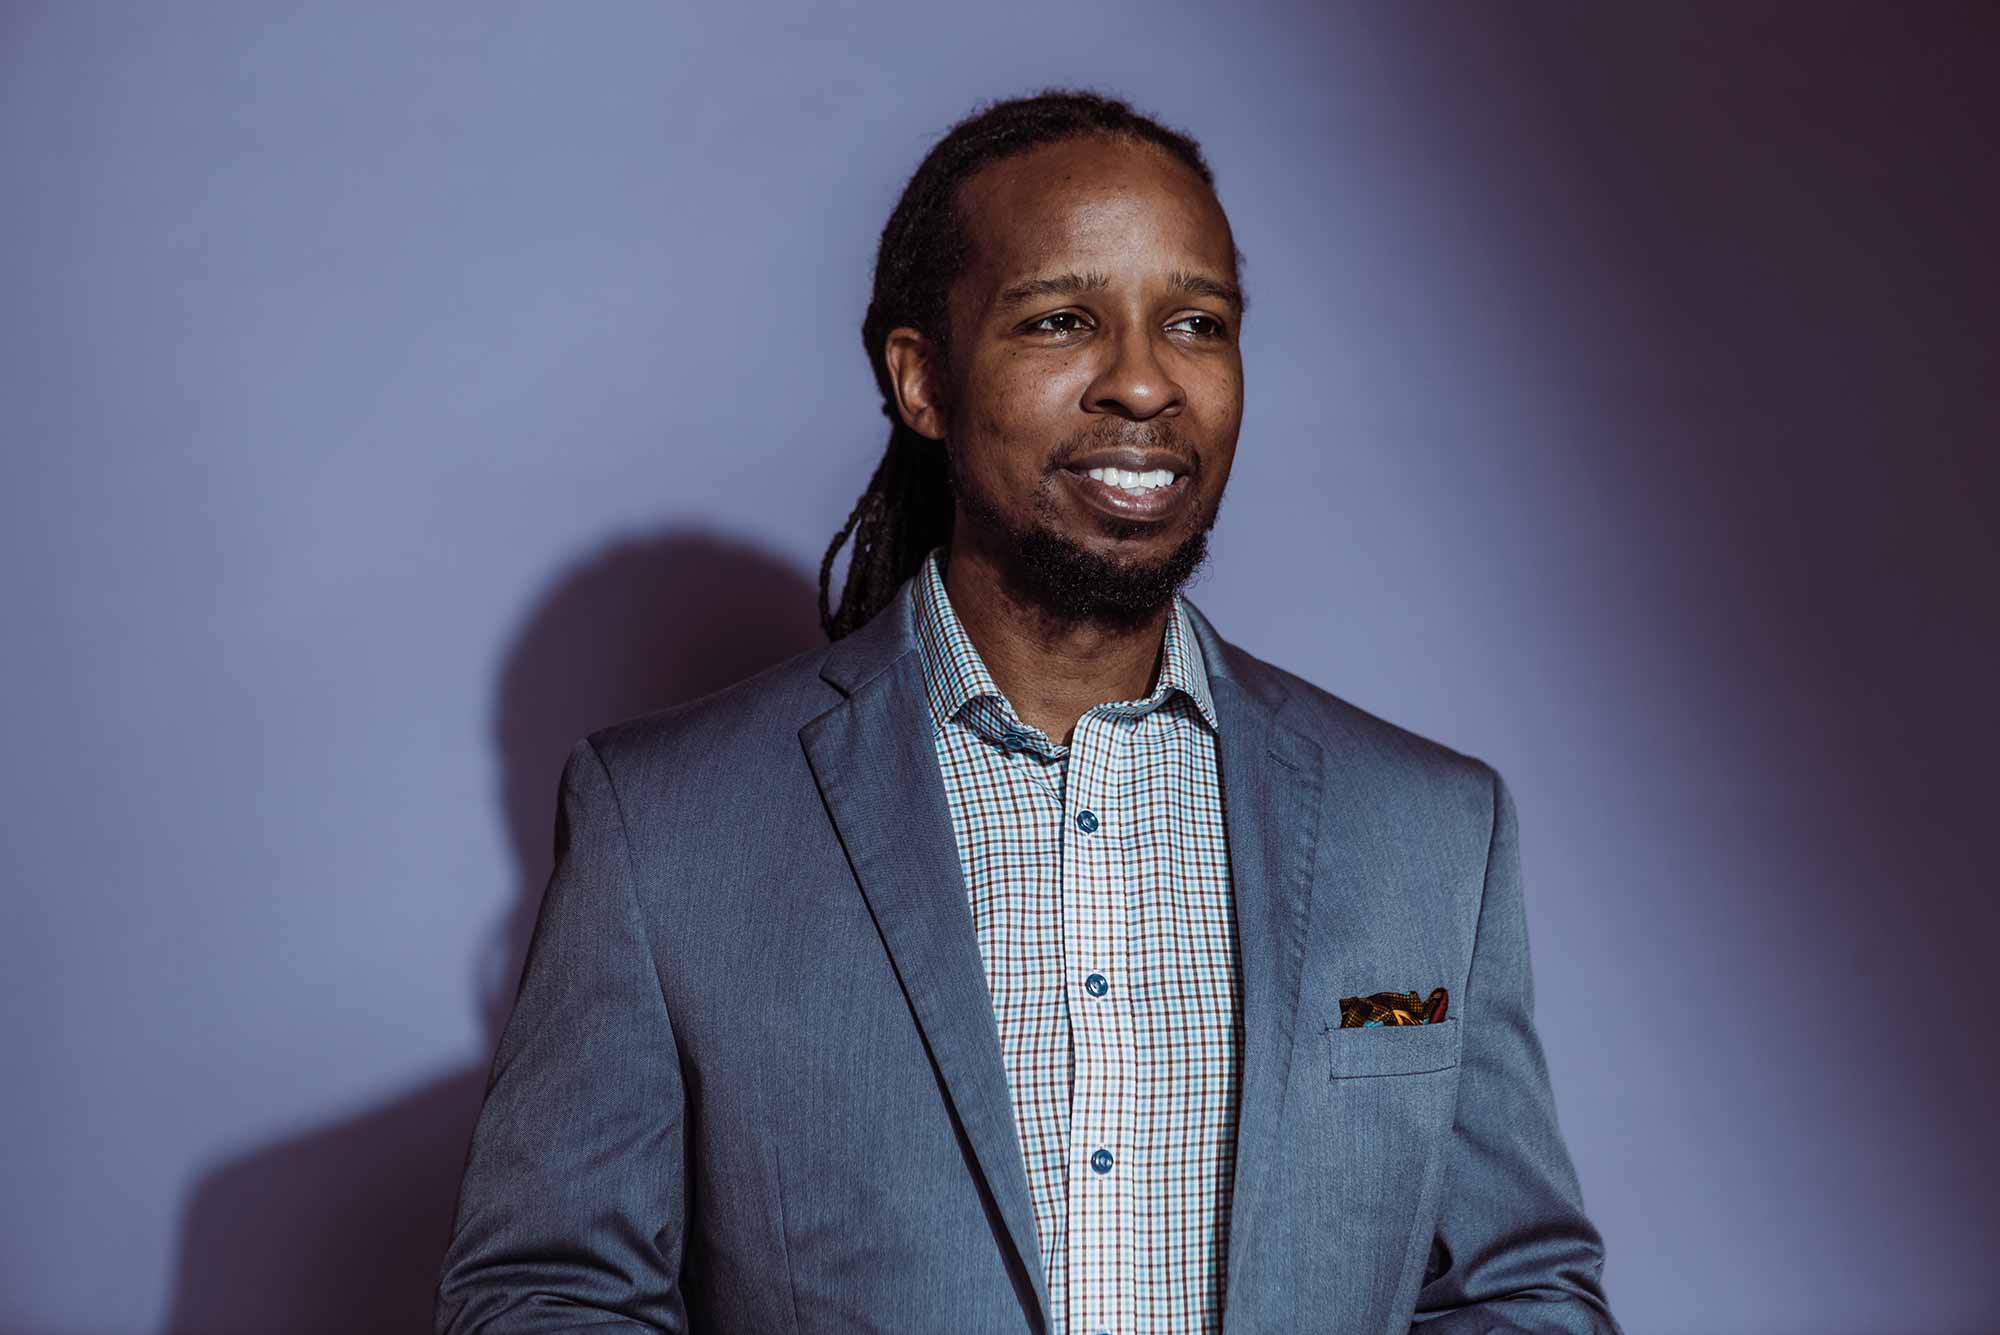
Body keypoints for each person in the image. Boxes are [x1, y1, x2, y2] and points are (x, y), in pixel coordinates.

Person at [436, 89, 1618, 1334]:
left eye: (1195, 323)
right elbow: (545, 1294)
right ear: (922, 381)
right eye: (1062, 320)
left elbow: (1516, 1289)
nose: (1144, 382)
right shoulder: (666, 823)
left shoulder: (1429, 829)